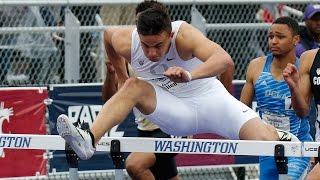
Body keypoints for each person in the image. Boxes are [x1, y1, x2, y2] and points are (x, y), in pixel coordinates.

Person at [56, 6, 297, 162]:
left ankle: (276, 134)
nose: (151, 53)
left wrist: (191, 74)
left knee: (267, 144)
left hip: (211, 100)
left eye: (158, 46)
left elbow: (224, 59)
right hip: (174, 109)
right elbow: (108, 35)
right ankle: (89, 139)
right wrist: (121, 75)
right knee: (132, 85)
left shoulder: (183, 35)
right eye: (145, 45)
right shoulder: (125, 41)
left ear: (169, 36)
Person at [102, 2, 181, 179]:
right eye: (140, 25)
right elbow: (109, 100)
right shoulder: (126, 54)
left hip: (170, 128)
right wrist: (112, 73)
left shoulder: (174, 51)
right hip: (145, 129)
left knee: (135, 165)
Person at [240, 16, 312, 180]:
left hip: (297, 146)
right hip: (269, 144)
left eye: (280, 37)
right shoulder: (256, 66)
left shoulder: (303, 69)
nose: (273, 41)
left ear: (296, 40)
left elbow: (303, 112)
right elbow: (241, 109)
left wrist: (293, 86)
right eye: (271, 36)